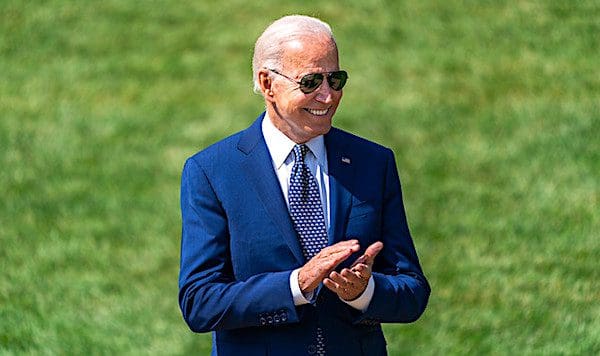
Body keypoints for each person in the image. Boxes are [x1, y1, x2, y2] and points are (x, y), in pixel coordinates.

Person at [179, 15, 430, 356]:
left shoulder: (373, 163)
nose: (328, 97)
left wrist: (363, 291)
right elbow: (200, 302)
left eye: (335, 79)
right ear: (268, 84)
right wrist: (296, 284)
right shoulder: (212, 172)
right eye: (311, 82)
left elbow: (412, 291)